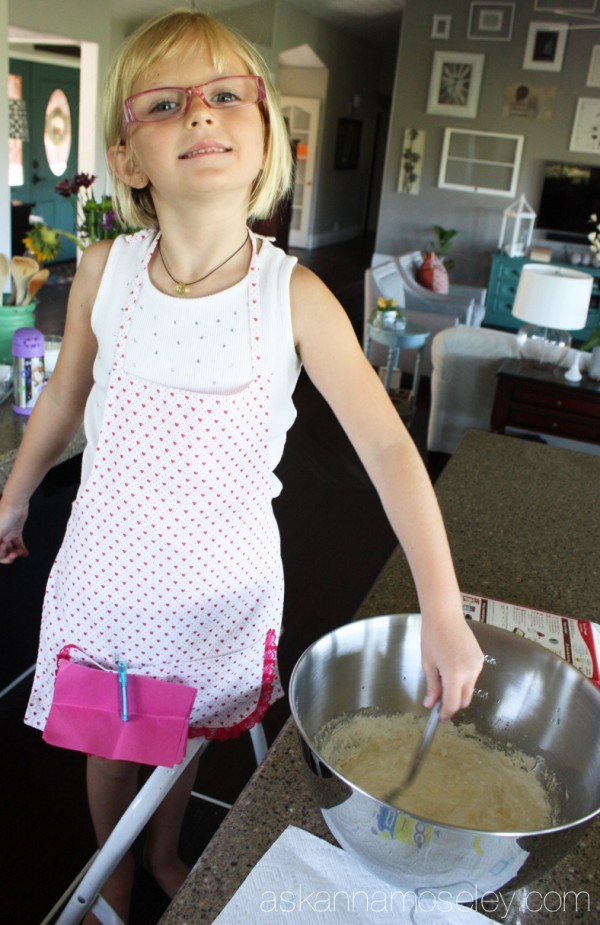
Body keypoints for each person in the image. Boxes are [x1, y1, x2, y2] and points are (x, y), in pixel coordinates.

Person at [0, 8, 484, 922]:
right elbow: (64, 398)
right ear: (130, 157)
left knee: (180, 739)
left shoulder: (291, 293)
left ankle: (166, 849)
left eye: (226, 95)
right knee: (115, 742)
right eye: (167, 103)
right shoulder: (104, 269)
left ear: (266, 140)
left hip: (217, 585)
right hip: (107, 577)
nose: (200, 115)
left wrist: (441, 605)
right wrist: (13, 499)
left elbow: (387, 445)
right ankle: (110, 867)